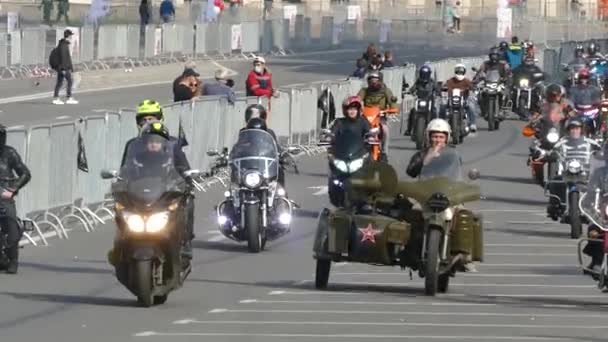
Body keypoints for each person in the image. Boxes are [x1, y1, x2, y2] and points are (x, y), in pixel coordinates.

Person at [126, 121, 195, 258]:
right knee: (122, 212)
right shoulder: (137, 157)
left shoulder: (173, 156)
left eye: (157, 141)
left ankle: (184, 242)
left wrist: (186, 179)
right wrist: (120, 182)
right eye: (150, 141)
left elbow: (185, 171)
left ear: (164, 143)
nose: (153, 144)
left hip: (165, 196)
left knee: (186, 204)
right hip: (142, 197)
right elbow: (126, 172)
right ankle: (122, 246)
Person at [546, 117, 601, 219]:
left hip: (587, 173)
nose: (574, 131)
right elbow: (553, 151)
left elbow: (601, 151)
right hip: (567, 172)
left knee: (602, 184)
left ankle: (599, 208)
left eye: (577, 128)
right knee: (555, 182)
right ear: (568, 130)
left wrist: (602, 155)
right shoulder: (562, 142)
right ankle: (556, 205)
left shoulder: (590, 142)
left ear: (581, 129)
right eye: (572, 128)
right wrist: (550, 155)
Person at [0, 125, 31, 274]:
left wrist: (12, 189)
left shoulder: (9, 153)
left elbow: (25, 173)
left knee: (10, 221)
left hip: (4, 195)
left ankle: (13, 260)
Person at [242, 104, 286, 187]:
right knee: (234, 185)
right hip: (247, 169)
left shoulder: (269, 133)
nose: (257, 121)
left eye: (260, 118)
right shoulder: (242, 134)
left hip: (265, 167)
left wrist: (282, 155)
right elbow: (236, 150)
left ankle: (282, 196)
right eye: (253, 118)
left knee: (279, 169)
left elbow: (276, 149)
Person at [357, 71, 397, 156]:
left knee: (385, 130)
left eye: (375, 80)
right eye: (371, 80)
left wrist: (393, 109)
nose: (373, 82)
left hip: (380, 117)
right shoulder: (364, 90)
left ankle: (384, 152)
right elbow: (357, 99)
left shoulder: (386, 91)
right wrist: (356, 105)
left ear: (380, 81)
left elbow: (392, 102)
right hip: (366, 117)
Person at [405, 65, 440, 136]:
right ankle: (409, 129)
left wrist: (439, 92)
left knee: (434, 112)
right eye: (423, 74)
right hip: (420, 100)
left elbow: (437, 89)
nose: (424, 76)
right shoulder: (418, 81)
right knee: (413, 111)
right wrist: (409, 91)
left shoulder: (432, 82)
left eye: (426, 74)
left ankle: (436, 128)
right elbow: (413, 88)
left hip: (430, 101)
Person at [445, 64, 479, 132]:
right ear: (455, 71)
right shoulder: (450, 81)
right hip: (452, 99)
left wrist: (474, 89)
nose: (459, 73)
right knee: (442, 108)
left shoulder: (466, 81)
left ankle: (473, 123)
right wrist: (443, 89)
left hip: (464, 99)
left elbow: (472, 87)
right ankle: (442, 124)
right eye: (458, 71)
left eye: (461, 71)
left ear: (464, 72)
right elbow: (444, 86)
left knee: (471, 106)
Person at [52, 29, 78, 105]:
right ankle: (69, 97)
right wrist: (64, 68)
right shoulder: (63, 45)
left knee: (59, 83)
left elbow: (67, 57)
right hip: (64, 67)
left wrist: (71, 67)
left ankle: (56, 98)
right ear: (68, 36)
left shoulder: (63, 44)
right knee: (70, 81)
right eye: (71, 35)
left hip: (62, 67)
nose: (72, 37)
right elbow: (64, 57)